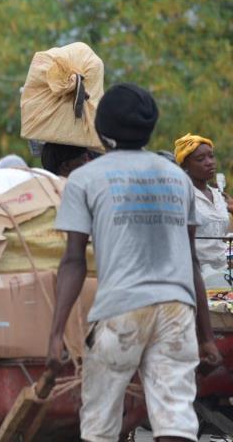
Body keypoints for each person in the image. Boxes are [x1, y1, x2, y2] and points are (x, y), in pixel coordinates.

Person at [46, 84, 222, 442]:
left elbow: (74, 261)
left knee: (100, 423)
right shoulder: (177, 178)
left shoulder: (84, 178)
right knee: (175, 421)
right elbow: (190, 260)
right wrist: (206, 337)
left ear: (100, 129)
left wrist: (56, 334)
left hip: (120, 310)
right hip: (176, 312)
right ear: (150, 128)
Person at [175, 134, 233, 288]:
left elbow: (223, 237)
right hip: (196, 275)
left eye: (211, 156)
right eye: (201, 159)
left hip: (224, 271)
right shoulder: (182, 195)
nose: (209, 162)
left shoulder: (218, 195)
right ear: (185, 166)